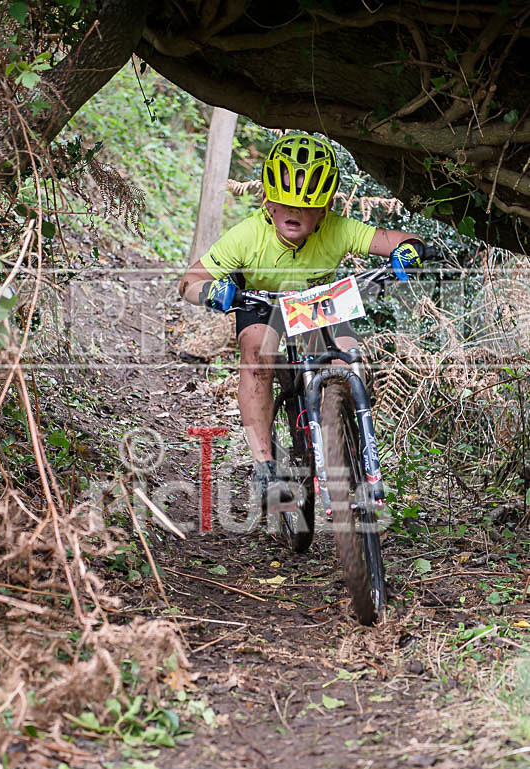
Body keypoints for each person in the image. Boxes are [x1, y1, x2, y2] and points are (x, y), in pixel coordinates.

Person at [179, 132, 425, 505]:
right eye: (284, 203)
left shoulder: (339, 229)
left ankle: (349, 439)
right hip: (260, 301)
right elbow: (190, 280)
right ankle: (264, 465)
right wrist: (212, 292)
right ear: (268, 203)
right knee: (257, 359)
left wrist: (408, 252)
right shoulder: (247, 236)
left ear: (325, 210)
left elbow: (401, 238)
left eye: (306, 206)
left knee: (350, 357)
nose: (293, 213)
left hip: (315, 303)